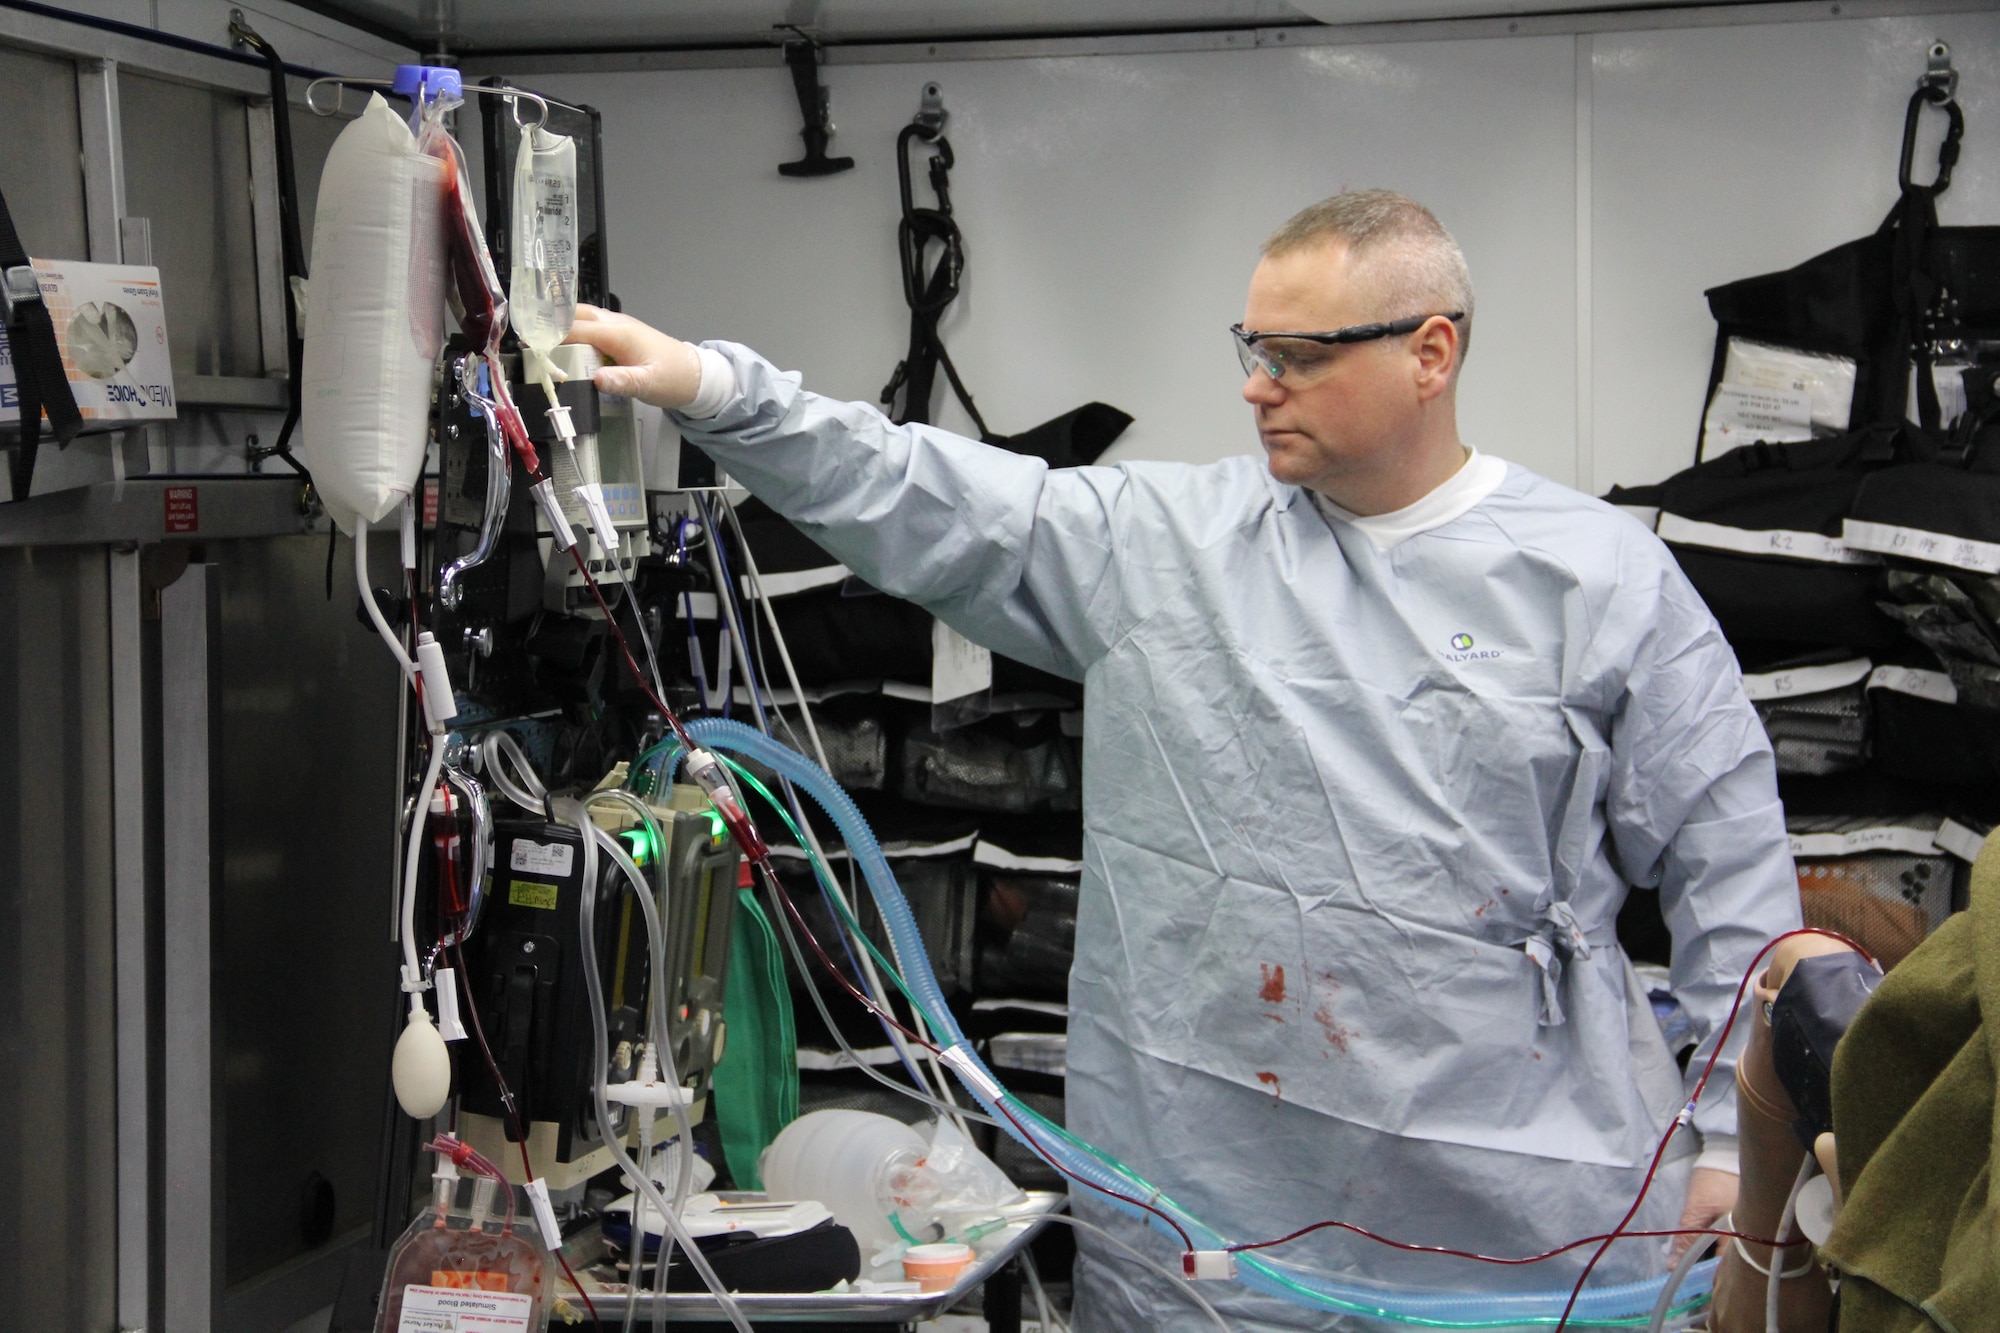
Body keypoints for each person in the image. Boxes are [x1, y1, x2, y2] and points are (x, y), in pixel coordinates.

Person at [567, 190, 1800, 1330]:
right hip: (1209, 1235)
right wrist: (718, 390)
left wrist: (1732, 1143)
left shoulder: (1597, 581)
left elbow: (1730, 874)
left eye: (1302, 356)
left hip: (1514, 1235)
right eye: (1250, 349)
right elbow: (921, 492)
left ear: (1432, 352)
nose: (1260, 386)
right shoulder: (1161, 548)